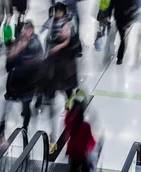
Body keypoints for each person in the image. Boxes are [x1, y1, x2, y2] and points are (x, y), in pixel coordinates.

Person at [39, 2, 77, 151]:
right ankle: (53, 139)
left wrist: (61, 45)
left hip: (64, 72)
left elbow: (71, 43)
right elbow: (44, 31)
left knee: (68, 91)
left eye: (59, 12)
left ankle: (69, 106)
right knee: (55, 100)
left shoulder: (69, 26)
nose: (63, 30)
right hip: (54, 73)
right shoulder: (52, 22)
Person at [0, 20, 43, 135]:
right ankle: (2, 126)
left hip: (28, 83)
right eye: (22, 30)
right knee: (8, 104)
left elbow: (36, 64)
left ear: (31, 31)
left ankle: (25, 126)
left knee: (26, 106)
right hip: (14, 82)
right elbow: (8, 67)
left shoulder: (35, 45)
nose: (23, 33)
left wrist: (18, 54)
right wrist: (13, 54)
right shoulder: (18, 44)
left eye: (26, 30)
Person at [64, 98, 96, 172]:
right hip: (81, 151)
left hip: (72, 150)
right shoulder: (85, 125)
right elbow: (89, 139)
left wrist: (73, 110)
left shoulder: (70, 123)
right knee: (85, 168)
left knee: (73, 167)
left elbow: (67, 120)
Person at [113, 0, 137, 65]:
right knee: (123, 38)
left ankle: (120, 57)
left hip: (121, 18)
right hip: (124, 19)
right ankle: (120, 58)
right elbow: (134, 6)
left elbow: (112, 5)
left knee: (122, 38)